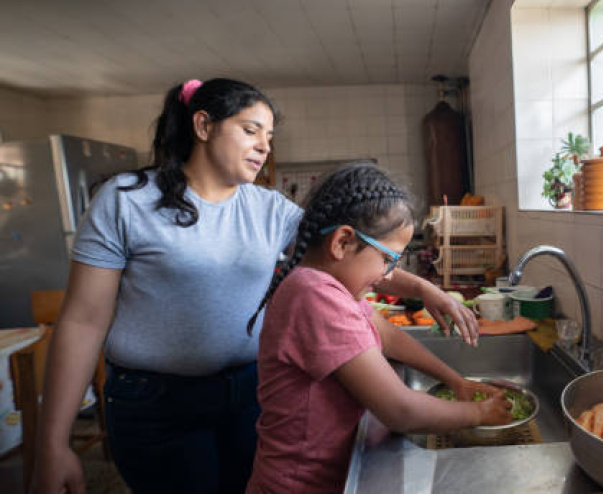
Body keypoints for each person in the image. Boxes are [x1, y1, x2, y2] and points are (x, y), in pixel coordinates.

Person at [32, 78, 479, 494]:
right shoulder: (125, 200)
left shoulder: (269, 208)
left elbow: (347, 252)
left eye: (268, 137)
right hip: (157, 405)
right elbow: (83, 321)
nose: (264, 146)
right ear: (203, 125)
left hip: (251, 395)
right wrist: (54, 442)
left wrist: (424, 290)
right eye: (251, 130)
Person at [246, 163, 512, 493]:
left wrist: (454, 380)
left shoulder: (330, 286)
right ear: (342, 241)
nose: (388, 276)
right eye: (388, 259)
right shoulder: (314, 295)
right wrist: (477, 414)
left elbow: (385, 334)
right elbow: (399, 410)